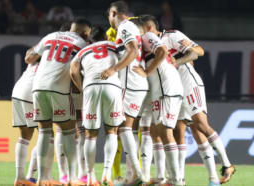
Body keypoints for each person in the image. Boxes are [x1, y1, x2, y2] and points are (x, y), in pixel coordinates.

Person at [139, 14, 236, 186]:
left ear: (148, 29)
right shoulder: (146, 45)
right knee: (178, 131)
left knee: (199, 124)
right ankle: (188, 180)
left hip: (189, 83)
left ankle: (227, 164)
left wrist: (177, 61)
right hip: (173, 88)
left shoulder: (171, 35)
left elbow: (197, 51)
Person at [25, 18, 92, 186]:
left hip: (38, 87)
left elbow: (29, 58)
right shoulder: (82, 44)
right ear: (85, 33)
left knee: (44, 132)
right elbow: (80, 70)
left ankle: (42, 178)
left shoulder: (51, 35)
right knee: (69, 131)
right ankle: (72, 178)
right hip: (58, 88)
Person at [101, 1, 149, 184]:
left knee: (124, 128)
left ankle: (137, 174)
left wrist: (114, 69)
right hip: (136, 83)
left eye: (109, 16)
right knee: (126, 129)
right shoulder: (130, 27)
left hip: (130, 83)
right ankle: (134, 175)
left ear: (113, 13)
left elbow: (132, 50)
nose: (109, 21)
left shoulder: (125, 26)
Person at [70, 26, 125, 186]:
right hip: (112, 86)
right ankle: (107, 174)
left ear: (90, 40)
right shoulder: (114, 46)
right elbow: (129, 57)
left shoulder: (83, 51)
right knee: (112, 131)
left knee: (90, 135)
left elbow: (73, 71)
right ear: (105, 38)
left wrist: (82, 89)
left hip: (90, 88)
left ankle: (91, 178)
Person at [133, 20, 184, 186]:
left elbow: (162, 51)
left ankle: (176, 180)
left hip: (166, 88)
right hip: (160, 90)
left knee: (165, 131)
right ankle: (163, 177)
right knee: (156, 131)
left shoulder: (147, 36)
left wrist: (147, 71)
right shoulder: (141, 43)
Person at [12, 61, 39, 186]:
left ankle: (20, 178)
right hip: (35, 91)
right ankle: (35, 177)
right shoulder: (60, 56)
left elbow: (28, 57)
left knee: (25, 136)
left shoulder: (40, 51)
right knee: (47, 135)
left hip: (19, 89)